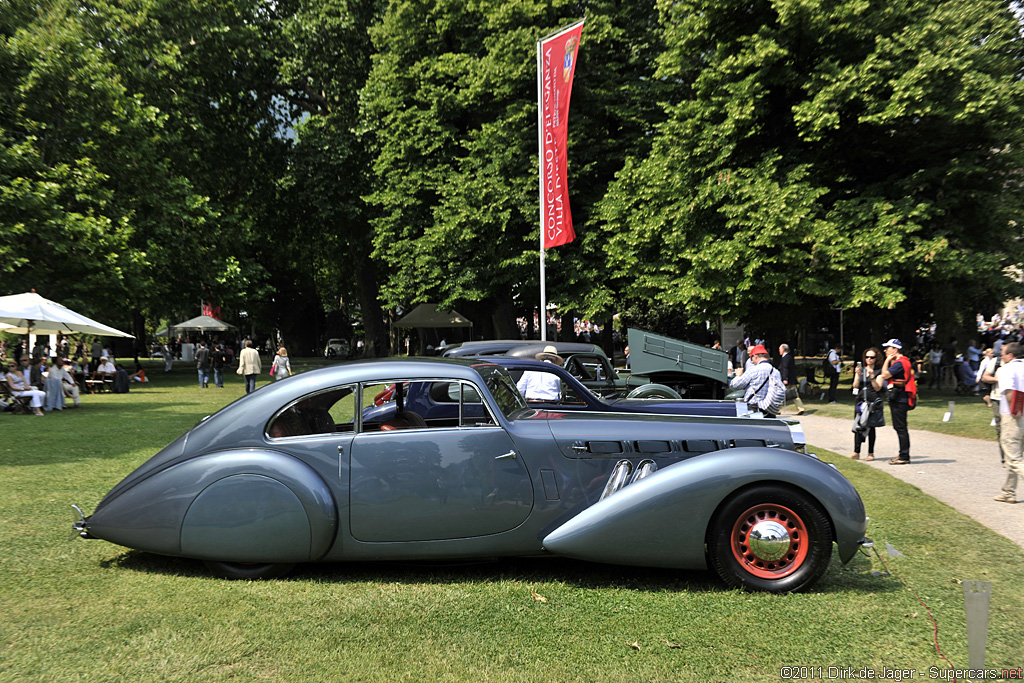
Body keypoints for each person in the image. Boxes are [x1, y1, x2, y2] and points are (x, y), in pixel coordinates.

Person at [994, 342, 1024, 503]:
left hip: (1013, 415)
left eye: (1003, 353)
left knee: (1014, 458)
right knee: (1016, 455)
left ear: (1010, 356)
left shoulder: (1007, 369)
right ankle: (1009, 492)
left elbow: (1010, 393)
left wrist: (1016, 412)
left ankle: (1009, 492)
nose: (1001, 356)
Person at [878, 338, 916, 465]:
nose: (885, 350)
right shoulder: (904, 362)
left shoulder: (899, 363)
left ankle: (904, 456)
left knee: (900, 428)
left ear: (895, 349)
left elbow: (884, 375)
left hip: (899, 398)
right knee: (900, 427)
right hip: (901, 398)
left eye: (887, 348)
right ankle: (903, 454)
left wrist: (887, 360)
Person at [729, 344, 785, 417]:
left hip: (754, 409)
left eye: (752, 359)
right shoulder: (775, 371)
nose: (752, 362)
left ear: (755, 357)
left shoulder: (753, 370)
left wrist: (738, 375)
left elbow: (736, 385)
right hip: (769, 410)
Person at [851, 347, 884, 461]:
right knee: (858, 425)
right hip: (860, 400)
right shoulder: (861, 369)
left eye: (872, 357)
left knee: (871, 426)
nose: (869, 359)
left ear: (876, 359)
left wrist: (872, 377)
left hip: (872, 401)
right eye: (867, 357)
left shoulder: (879, 371)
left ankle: (871, 453)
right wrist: (857, 374)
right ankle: (856, 451)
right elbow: (855, 386)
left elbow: (878, 387)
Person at [777, 343, 806, 415]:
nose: (779, 351)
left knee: (780, 394)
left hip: (787, 379)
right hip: (792, 379)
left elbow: (785, 369)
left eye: (780, 349)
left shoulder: (785, 358)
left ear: (783, 350)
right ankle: (801, 408)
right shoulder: (789, 357)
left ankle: (777, 410)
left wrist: (785, 379)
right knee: (795, 394)